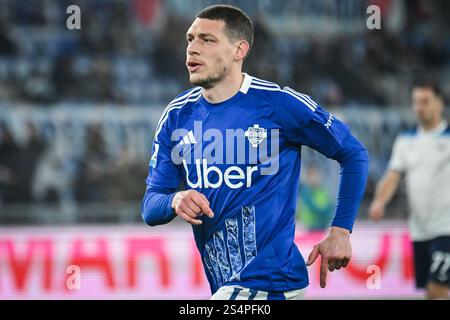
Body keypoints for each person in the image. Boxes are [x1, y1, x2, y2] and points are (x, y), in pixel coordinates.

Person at [142, 4, 369, 300]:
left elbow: (353, 153)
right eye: (190, 39)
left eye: (207, 40)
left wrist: (341, 230)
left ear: (239, 51)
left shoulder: (278, 104)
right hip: (229, 285)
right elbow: (150, 205)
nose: (193, 49)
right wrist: (175, 200)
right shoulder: (177, 116)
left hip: (269, 282)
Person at [369, 82, 450, 299]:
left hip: (446, 229)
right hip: (420, 230)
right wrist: (379, 202)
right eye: (416, 102)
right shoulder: (406, 140)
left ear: (440, 104)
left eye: (425, 101)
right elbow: (393, 176)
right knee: (430, 291)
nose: (419, 107)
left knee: (438, 288)